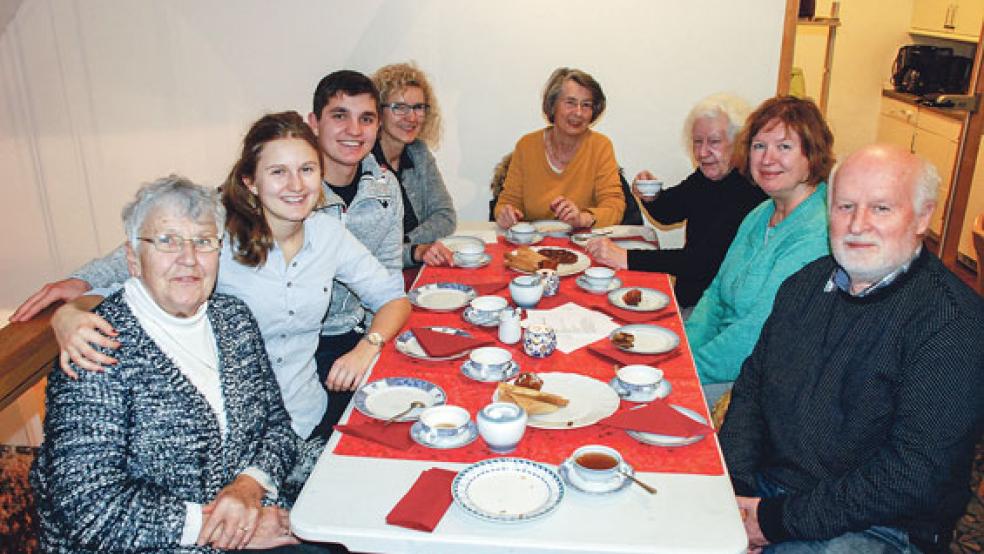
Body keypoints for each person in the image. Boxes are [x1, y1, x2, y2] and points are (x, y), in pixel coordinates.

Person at [15, 113, 409, 483]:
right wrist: (70, 308)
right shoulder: (212, 239)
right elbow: (136, 265)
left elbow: (393, 297)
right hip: (235, 439)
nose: (296, 185)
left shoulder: (328, 234)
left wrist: (368, 346)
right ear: (250, 181)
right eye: (278, 172)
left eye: (306, 170)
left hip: (308, 418)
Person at [720, 144, 984, 553]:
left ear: (923, 217)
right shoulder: (804, 285)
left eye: (881, 208)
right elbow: (752, 389)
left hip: (880, 524)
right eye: (845, 207)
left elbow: (912, 475)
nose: (858, 225)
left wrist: (772, 522)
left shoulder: (951, 321)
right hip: (772, 491)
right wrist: (734, 491)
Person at [30, 178, 301, 552]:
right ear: (133, 259)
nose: (188, 258)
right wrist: (220, 529)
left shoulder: (234, 319)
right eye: (167, 241)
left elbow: (278, 428)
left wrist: (248, 488)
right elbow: (89, 506)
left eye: (203, 241)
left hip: (254, 515)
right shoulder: (95, 345)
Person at [684, 96, 833, 407]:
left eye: (784, 146)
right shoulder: (760, 213)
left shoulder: (817, 230)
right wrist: (683, 349)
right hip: (717, 361)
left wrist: (684, 369)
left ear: (812, 154)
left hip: (758, 380)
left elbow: (757, 333)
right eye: (759, 146)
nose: (767, 158)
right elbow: (716, 293)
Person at [584, 93, 768, 310]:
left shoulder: (749, 191)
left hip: (712, 310)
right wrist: (652, 196)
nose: (702, 152)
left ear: (739, 143)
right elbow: (669, 212)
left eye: (714, 142)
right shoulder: (707, 177)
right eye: (697, 142)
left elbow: (701, 262)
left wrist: (625, 257)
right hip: (689, 298)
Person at [493, 67, 625, 229]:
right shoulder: (526, 146)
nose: (578, 113)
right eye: (570, 103)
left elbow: (614, 206)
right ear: (552, 105)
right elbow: (506, 203)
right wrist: (505, 214)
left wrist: (583, 218)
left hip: (582, 240)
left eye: (586, 105)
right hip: (534, 241)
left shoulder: (600, 146)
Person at [371, 62, 457, 268]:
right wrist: (412, 251)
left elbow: (445, 216)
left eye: (418, 107)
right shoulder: (362, 162)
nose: (411, 117)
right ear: (378, 112)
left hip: (417, 268)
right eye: (399, 107)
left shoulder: (418, 153)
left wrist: (408, 242)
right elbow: (367, 251)